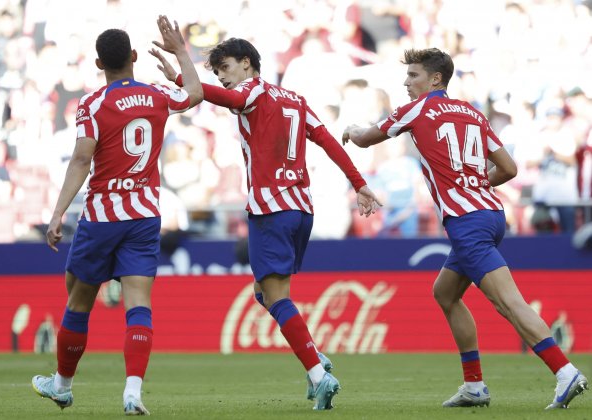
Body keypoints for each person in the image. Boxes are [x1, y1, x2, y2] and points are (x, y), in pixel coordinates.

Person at [342, 48, 588, 409]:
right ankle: (474, 386)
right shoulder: (473, 112)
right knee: (445, 292)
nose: (406, 82)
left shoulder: (418, 109)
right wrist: (474, 185)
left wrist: (351, 129)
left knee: (508, 302)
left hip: (466, 223)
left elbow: (365, 139)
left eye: (413, 75)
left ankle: (565, 371)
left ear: (435, 79)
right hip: (490, 213)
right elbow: (509, 168)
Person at [150, 36, 381, 410]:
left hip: (271, 209)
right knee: (266, 292)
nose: (222, 76)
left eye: (224, 68)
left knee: (274, 296)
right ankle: (315, 360)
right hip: (301, 209)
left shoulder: (252, 92)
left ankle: (319, 374)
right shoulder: (295, 99)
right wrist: (360, 184)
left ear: (246, 63)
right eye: (217, 71)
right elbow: (328, 142)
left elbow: (211, 96)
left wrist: (182, 73)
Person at [31, 16, 203, 416]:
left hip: (103, 216)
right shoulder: (158, 94)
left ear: (98, 64)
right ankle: (132, 391)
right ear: (135, 57)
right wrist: (180, 51)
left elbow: (80, 160)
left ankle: (62, 385)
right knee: (138, 303)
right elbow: (194, 93)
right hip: (144, 215)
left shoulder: (92, 103)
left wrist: (57, 213)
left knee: (78, 298)